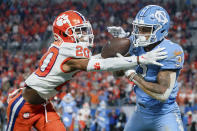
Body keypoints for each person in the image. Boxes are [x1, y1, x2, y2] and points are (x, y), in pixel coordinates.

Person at [6, 10, 167, 131]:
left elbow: (97, 60)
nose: (85, 35)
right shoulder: (67, 52)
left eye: (84, 30)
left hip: (43, 105)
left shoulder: (64, 50)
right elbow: (100, 65)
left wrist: (130, 43)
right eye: (79, 31)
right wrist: (138, 59)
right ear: (63, 34)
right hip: (24, 106)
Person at [109, 5, 184, 131]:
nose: (139, 33)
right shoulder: (134, 43)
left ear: (160, 30)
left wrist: (133, 76)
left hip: (164, 114)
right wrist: (121, 50)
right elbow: (116, 74)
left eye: (145, 29)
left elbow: (162, 93)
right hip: (141, 112)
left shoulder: (171, 51)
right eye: (138, 28)